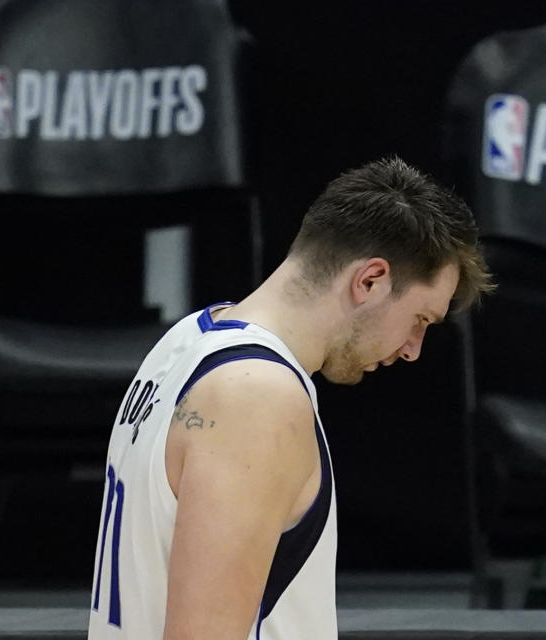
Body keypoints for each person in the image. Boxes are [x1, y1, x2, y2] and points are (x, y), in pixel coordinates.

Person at [87, 157, 493, 640]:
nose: (412, 349)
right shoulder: (257, 396)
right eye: (420, 320)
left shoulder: (186, 339)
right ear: (370, 280)